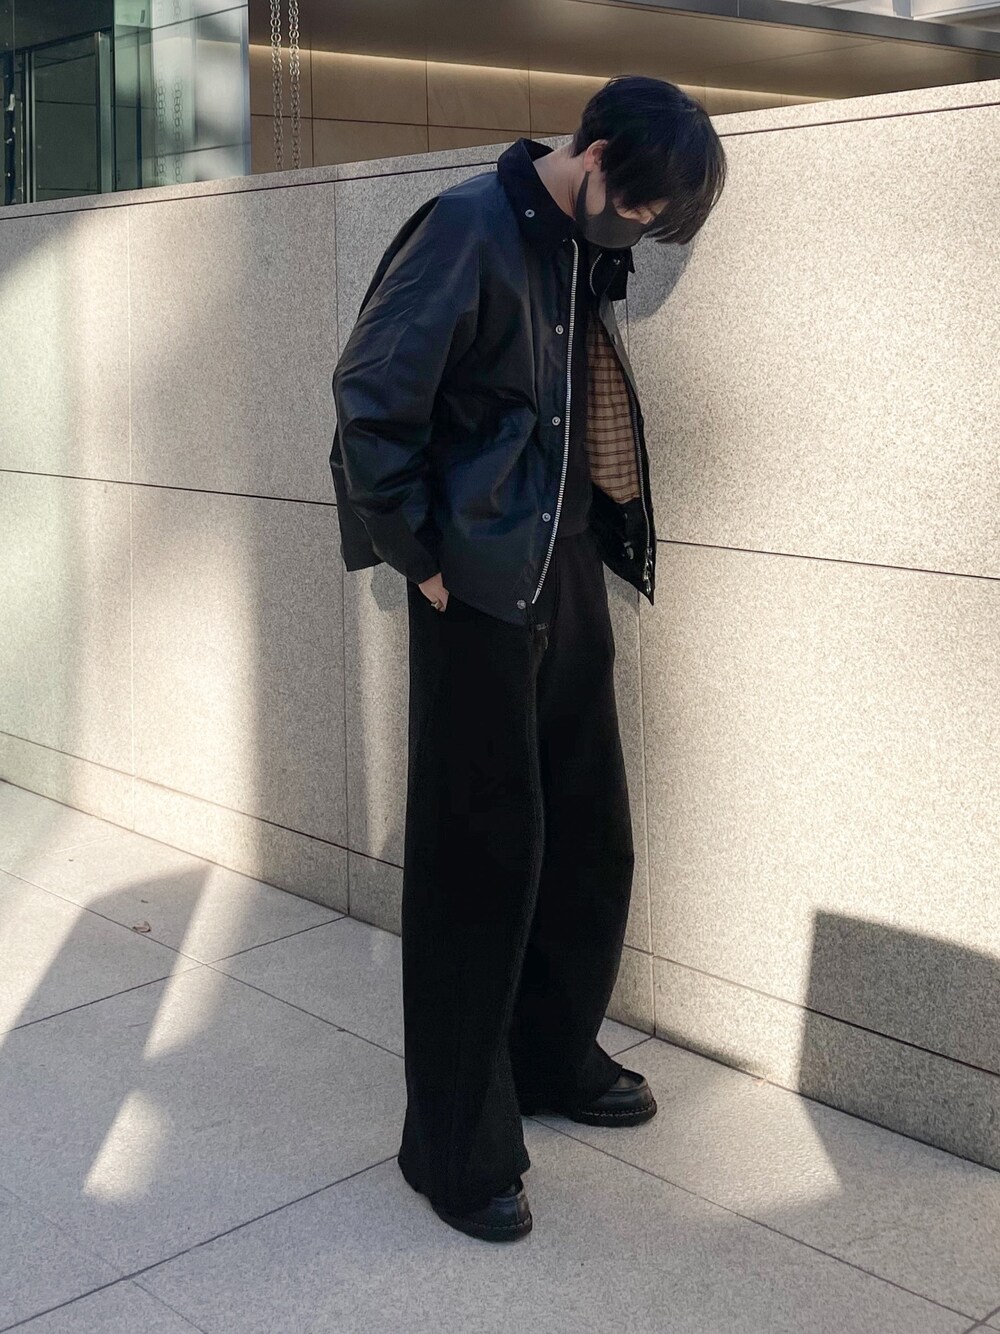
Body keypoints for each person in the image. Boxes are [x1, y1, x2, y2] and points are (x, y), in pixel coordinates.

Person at [330, 74, 726, 1243]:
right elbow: (369, 398)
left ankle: (551, 1053)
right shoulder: (467, 227)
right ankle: (451, 1145)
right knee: (477, 862)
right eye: (640, 208)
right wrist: (421, 560)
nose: (640, 232)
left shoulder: (575, 243)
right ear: (593, 156)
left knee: (589, 834)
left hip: (563, 564)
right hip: (475, 586)